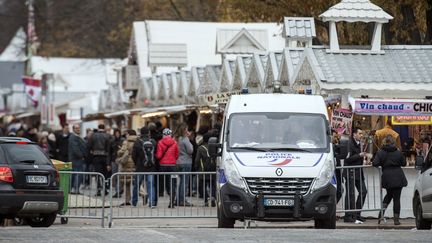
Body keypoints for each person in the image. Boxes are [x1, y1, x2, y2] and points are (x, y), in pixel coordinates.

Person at [373, 135, 407, 225]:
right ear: (393, 142)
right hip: (398, 176)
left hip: (387, 176)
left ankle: (381, 214)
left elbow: (375, 163)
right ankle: (396, 219)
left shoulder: (380, 152)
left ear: (384, 142)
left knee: (388, 196)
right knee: (396, 199)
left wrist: (382, 163)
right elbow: (404, 163)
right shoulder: (398, 152)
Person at [344, 127, 369, 224]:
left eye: (362, 134)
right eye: (359, 133)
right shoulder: (349, 143)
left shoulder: (360, 144)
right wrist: (360, 155)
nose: (361, 135)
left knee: (363, 191)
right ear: (354, 134)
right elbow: (348, 158)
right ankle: (348, 216)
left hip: (358, 172)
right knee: (350, 194)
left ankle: (357, 214)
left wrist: (364, 158)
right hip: (350, 171)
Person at [132, 126, 157, 207]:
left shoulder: (137, 142)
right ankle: (151, 202)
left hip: (140, 167)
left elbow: (133, 155)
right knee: (150, 185)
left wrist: (137, 163)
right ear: (148, 133)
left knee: (137, 185)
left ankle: (134, 202)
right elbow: (155, 154)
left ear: (141, 133)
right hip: (151, 167)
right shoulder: (153, 142)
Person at [155, 128, 179, 208]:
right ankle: (172, 202)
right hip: (172, 167)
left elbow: (158, 155)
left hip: (163, 166)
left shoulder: (160, 142)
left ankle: (155, 201)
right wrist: (172, 160)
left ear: (163, 134)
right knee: (173, 184)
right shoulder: (175, 143)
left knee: (161, 183)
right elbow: (177, 155)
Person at [88, 124, 111, 196]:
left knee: (98, 174)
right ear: (104, 128)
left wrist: (92, 150)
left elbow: (89, 146)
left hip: (96, 156)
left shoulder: (93, 136)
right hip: (105, 157)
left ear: (98, 128)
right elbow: (109, 148)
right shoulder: (107, 136)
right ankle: (105, 189)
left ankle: (98, 190)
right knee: (105, 174)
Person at [116, 129, 137, 206]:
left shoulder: (126, 142)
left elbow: (122, 151)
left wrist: (118, 151)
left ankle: (127, 200)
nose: (125, 135)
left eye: (126, 134)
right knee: (134, 180)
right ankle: (143, 193)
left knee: (126, 181)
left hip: (127, 162)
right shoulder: (137, 141)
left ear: (129, 134)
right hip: (134, 162)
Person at [195, 133, 216, 207]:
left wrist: (196, 167)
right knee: (212, 185)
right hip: (213, 169)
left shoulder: (201, 148)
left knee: (202, 186)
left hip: (203, 170)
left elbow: (197, 160)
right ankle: (213, 197)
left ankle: (206, 200)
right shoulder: (214, 147)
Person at [175, 123, 194, 206]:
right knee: (184, 182)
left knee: (180, 182)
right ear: (185, 130)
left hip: (178, 162)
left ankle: (178, 199)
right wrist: (189, 139)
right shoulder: (185, 139)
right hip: (186, 162)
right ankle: (182, 200)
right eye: (187, 129)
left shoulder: (176, 138)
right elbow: (190, 150)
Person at [68, 125, 87, 194]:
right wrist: (81, 156)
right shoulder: (73, 137)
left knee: (76, 174)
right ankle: (75, 189)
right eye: (76, 128)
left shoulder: (77, 136)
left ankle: (74, 189)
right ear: (73, 129)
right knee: (78, 174)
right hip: (76, 159)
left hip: (77, 159)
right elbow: (75, 148)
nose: (78, 129)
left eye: (79, 128)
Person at [110, 129, 124, 197]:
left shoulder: (123, 141)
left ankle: (119, 190)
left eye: (118, 133)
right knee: (114, 176)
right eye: (116, 133)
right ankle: (117, 189)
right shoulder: (112, 141)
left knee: (120, 176)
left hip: (121, 160)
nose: (117, 134)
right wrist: (108, 163)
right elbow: (109, 152)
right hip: (114, 160)